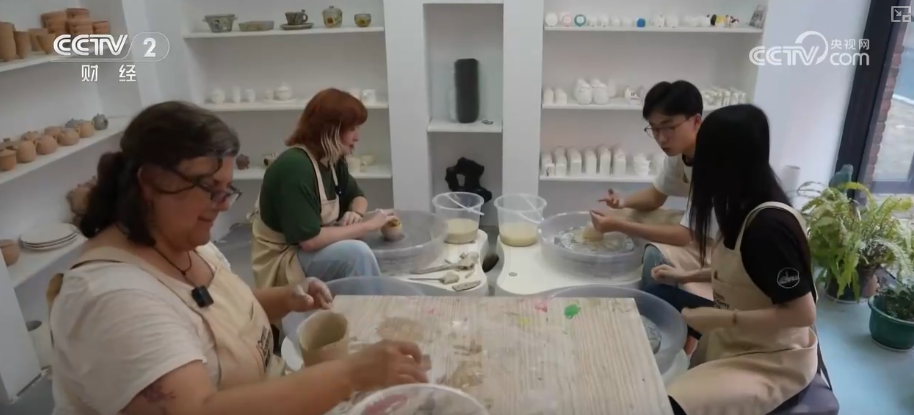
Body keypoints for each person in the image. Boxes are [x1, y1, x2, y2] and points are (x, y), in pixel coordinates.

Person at [48, 102, 427, 415]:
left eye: (227, 189)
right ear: (150, 183)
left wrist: (286, 297)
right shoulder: (112, 299)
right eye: (209, 188)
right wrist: (350, 375)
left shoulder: (186, 242)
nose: (224, 205)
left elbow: (212, 313)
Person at [646, 104, 819, 415]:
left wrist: (725, 319)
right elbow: (742, 270)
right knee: (657, 297)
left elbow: (803, 312)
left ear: (726, 162)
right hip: (738, 337)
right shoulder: (741, 206)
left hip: (772, 359)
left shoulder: (769, 228)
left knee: (668, 405)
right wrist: (685, 276)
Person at [251, 88, 395, 288]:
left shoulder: (332, 160)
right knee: (357, 254)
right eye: (352, 129)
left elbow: (358, 196)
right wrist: (366, 226)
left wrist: (356, 214)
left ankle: (358, 300)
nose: (357, 138)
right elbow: (309, 241)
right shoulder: (295, 168)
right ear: (330, 130)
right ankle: (369, 306)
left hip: (305, 249)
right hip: (283, 260)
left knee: (367, 242)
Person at [589, 80, 718, 292]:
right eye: (655, 129)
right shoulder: (680, 153)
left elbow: (684, 235)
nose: (661, 138)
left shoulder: (713, 160)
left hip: (721, 245)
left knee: (653, 257)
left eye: (668, 127)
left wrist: (619, 225)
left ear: (696, 121)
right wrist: (622, 203)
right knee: (624, 215)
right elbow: (655, 197)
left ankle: (654, 306)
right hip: (696, 229)